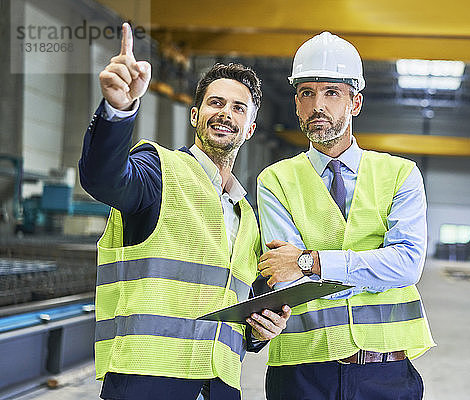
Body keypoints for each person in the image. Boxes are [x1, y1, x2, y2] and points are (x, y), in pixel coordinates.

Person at [79, 23, 290, 400]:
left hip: (220, 385)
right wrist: (118, 109)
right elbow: (104, 178)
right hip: (147, 379)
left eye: (238, 108)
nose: (226, 113)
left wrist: (260, 331)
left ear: (250, 128)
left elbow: (239, 309)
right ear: (195, 115)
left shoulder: (248, 217)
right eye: (215, 102)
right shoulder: (158, 171)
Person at [256, 32, 436, 400]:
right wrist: (372, 269)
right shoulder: (275, 181)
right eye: (307, 93)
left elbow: (407, 265)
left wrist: (310, 260)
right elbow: (288, 282)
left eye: (331, 93)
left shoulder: (401, 174)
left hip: (385, 372)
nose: (317, 104)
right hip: (303, 373)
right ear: (296, 103)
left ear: (355, 103)